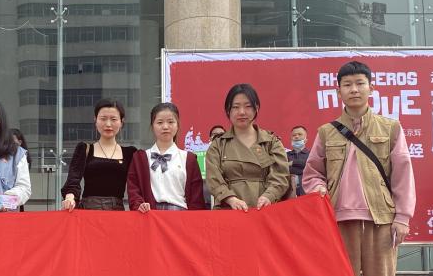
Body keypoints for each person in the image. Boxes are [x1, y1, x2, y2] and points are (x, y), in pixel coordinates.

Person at [303, 60, 416, 276]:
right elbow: (312, 172)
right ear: (338, 90)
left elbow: (403, 174)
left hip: (381, 222)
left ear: (370, 87)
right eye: (347, 84)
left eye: (359, 83)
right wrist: (318, 189)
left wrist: (402, 217)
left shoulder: (390, 128)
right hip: (339, 224)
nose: (354, 89)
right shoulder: (327, 132)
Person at [204, 83, 290, 211]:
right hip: (229, 210)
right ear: (228, 110)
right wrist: (230, 199)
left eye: (248, 106)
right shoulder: (218, 145)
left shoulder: (271, 142)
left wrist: (269, 196)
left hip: (265, 209)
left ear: (256, 109)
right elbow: (213, 179)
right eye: (236, 107)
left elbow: (281, 175)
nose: (242, 112)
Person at [61, 99, 138, 211]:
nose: (108, 124)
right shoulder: (85, 149)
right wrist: (70, 198)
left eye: (113, 119)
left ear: (121, 122)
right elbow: (73, 180)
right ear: (95, 120)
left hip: (116, 211)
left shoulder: (130, 153)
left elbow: (136, 185)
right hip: (89, 210)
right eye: (103, 119)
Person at [127, 102, 205, 212]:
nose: (165, 127)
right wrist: (139, 204)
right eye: (159, 122)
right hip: (150, 215)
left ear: (177, 125)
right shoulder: (140, 158)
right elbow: (133, 188)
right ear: (152, 126)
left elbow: (196, 198)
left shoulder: (189, 159)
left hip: (181, 216)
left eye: (170, 122)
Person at [287, 125, 310, 198]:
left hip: (306, 192)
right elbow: (283, 169)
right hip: (289, 193)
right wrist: (301, 167)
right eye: (294, 135)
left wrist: (292, 163)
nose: (296, 136)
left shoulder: (311, 154)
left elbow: (309, 167)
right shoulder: (286, 155)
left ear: (306, 140)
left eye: (300, 134)